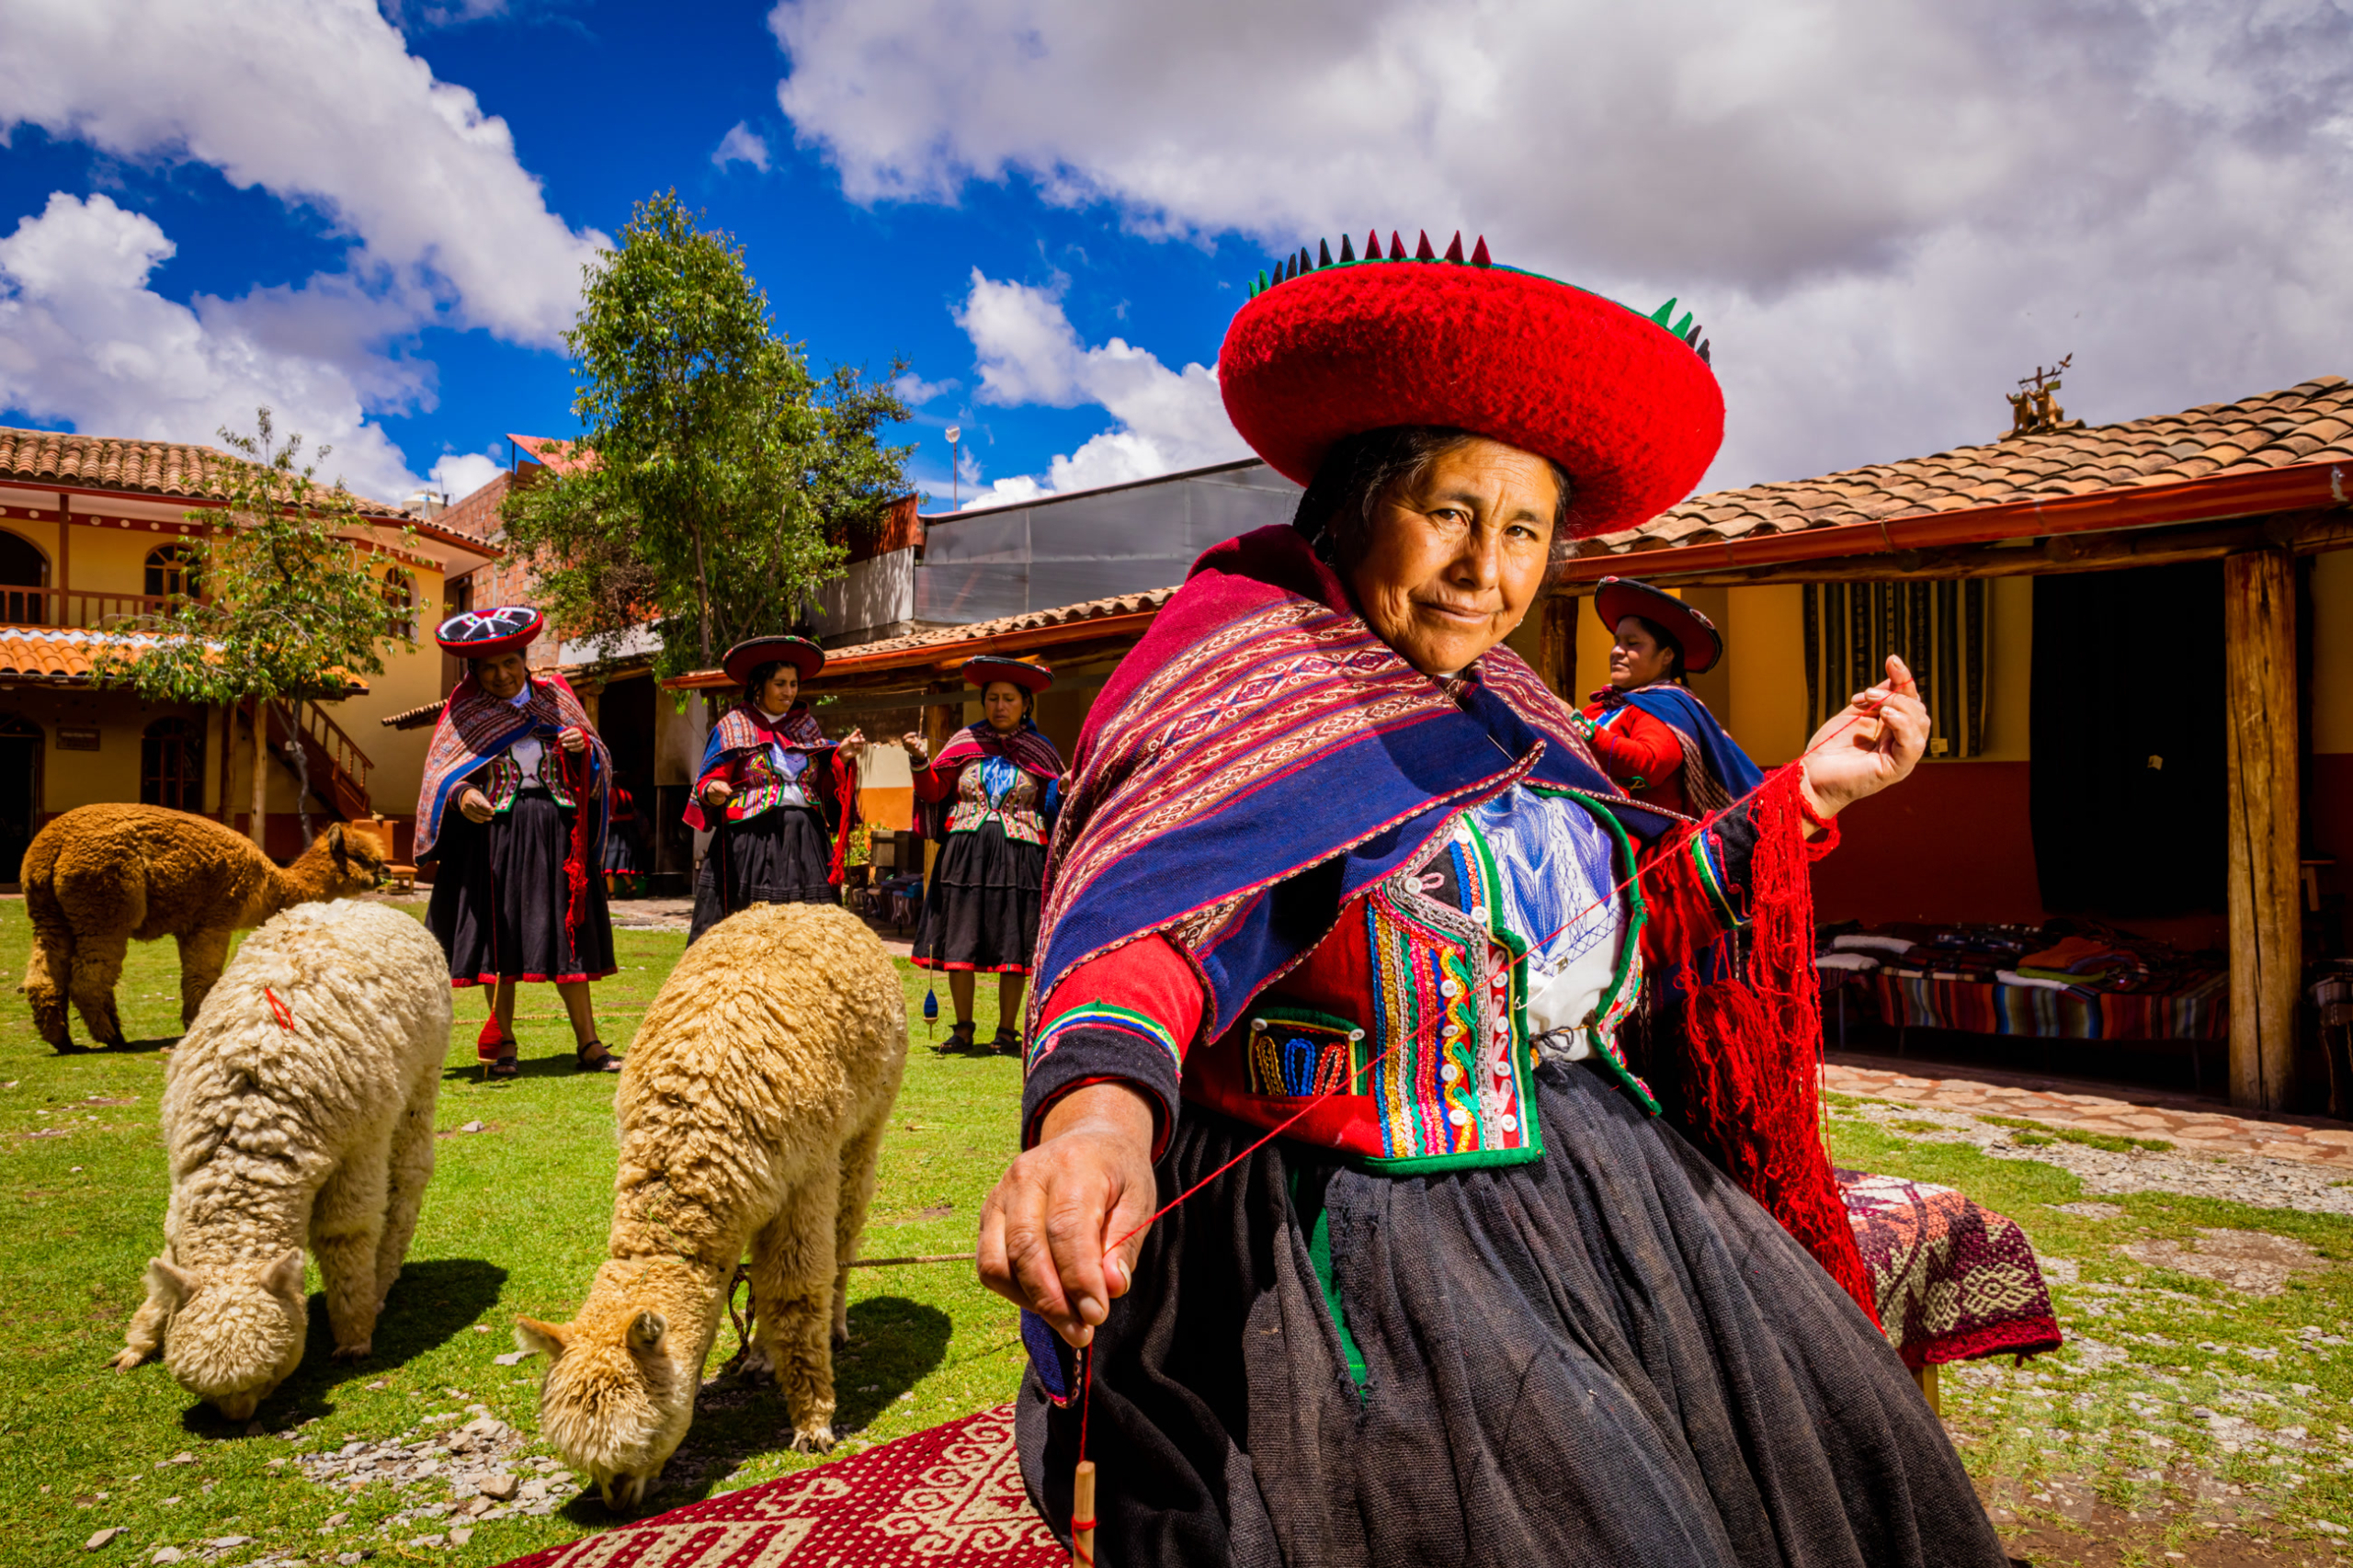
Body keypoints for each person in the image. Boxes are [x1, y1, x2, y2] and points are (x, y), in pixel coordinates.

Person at [976, 241, 2005, 1567]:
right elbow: (1156, 933)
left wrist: (1806, 790)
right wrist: (1100, 1129)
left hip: (1602, 1181)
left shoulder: (1516, 707)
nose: (1485, 569)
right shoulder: (1241, 673)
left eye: (1523, 530)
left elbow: (1618, 911)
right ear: (1353, 505)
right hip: (1368, 1237)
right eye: (1450, 511)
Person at [417, 607, 621, 1078]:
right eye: (488, 667)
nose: (501, 675)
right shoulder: (465, 713)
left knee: (570, 934)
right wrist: (464, 793)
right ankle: (502, 1040)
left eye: (509, 662)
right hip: (496, 836)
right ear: (474, 671)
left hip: (558, 833)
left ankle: (589, 1042)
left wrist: (584, 751)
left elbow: (598, 764)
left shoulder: (558, 700)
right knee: (498, 935)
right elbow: (441, 774)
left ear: (524, 660)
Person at [904, 656, 1063, 1054]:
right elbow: (934, 793)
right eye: (992, 698)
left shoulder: (1040, 751)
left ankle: (1007, 1034)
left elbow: (1055, 805)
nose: (1000, 706)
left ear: (1026, 703)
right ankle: (962, 1030)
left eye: (1009, 698)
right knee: (962, 937)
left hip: (1021, 856)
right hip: (965, 856)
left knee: (1014, 941)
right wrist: (920, 761)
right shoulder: (964, 744)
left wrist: (1064, 790)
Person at [685, 635, 868, 944]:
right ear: (759, 686)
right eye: (780, 683)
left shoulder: (805, 727)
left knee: (809, 928)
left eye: (793, 684)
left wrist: (843, 756)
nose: (789, 691)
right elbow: (708, 779)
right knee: (750, 928)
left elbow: (822, 779)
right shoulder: (733, 726)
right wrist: (714, 788)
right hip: (751, 843)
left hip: (805, 842)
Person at [1574, 574, 1765, 816]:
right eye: (1617, 641)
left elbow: (1651, 762)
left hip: (1643, 842)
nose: (1617, 652)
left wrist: (1578, 727)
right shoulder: (1601, 709)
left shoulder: (1667, 709)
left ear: (1666, 656)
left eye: (1632, 643)